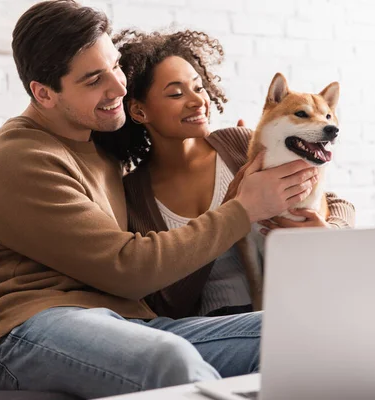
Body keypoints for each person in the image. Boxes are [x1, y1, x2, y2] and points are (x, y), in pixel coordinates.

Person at [0, 1, 320, 399]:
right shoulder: (20, 155)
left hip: (129, 323)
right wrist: (242, 208)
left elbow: (328, 197)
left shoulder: (103, 154)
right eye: (94, 79)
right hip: (31, 330)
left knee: (299, 333)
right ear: (43, 94)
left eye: (115, 66)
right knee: (169, 360)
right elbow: (127, 266)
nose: (118, 86)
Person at [93, 30, 355, 319]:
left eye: (199, 87)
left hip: (285, 308)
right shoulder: (134, 195)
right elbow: (165, 302)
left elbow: (333, 201)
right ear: (140, 112)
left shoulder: (240, 144)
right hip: (211, 325)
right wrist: (232, 215)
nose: (197, 101)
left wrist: (331, 232)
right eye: (177, 93)